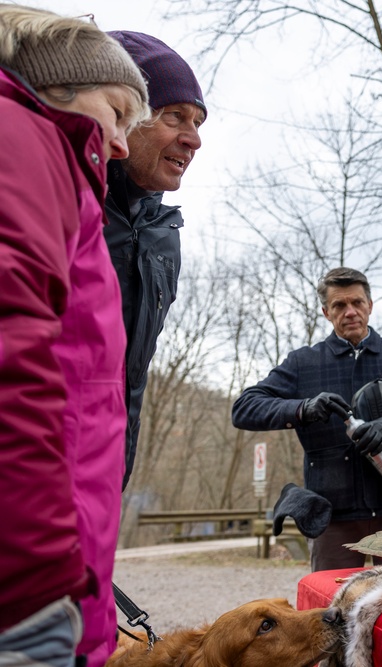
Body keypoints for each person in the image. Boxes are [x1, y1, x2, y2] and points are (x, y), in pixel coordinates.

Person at [0, 5, 149, 665]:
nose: (121, 144)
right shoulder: (26, 137)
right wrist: (32, 583)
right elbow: (10, 344)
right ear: (59, 84)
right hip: (28, 576)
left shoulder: (55, 165)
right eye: (119, 114)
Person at [232, 267, 382, 571]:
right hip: (331, 515)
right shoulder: (303, 363)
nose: (350, 312)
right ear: (326, 312)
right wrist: (303, 409)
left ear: (370, 306)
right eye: (339, 305)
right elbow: (244, 408)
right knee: (331, 610)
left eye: (357, 303)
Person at [103, 31, 207, 490]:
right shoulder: (61, 196)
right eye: (175, 117)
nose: (194, 140)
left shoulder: (164, 234)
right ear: (123, 115)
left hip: (107, 469)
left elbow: (132, 376)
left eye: (199, 123)